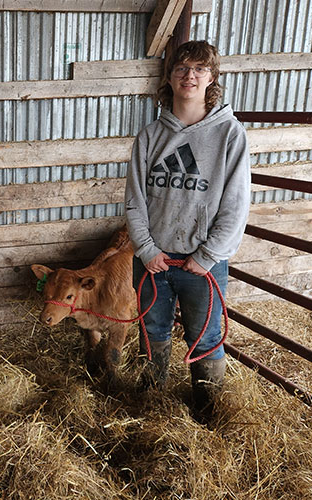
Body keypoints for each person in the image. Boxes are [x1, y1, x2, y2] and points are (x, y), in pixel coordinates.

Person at [124, 41, 251, 423]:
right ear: (170, 77)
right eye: (181, 68)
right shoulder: (150, 136)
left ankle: (210, 411)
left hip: (202, 264)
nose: (189, 75)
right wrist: (146, 250)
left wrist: (208, 255)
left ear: (212, 77)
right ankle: (153, 403)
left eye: (199, 69)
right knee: (153, 330)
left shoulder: (229, 135)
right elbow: (134, 199)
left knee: (206, 336)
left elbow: (235, 204)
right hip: (154, 261)